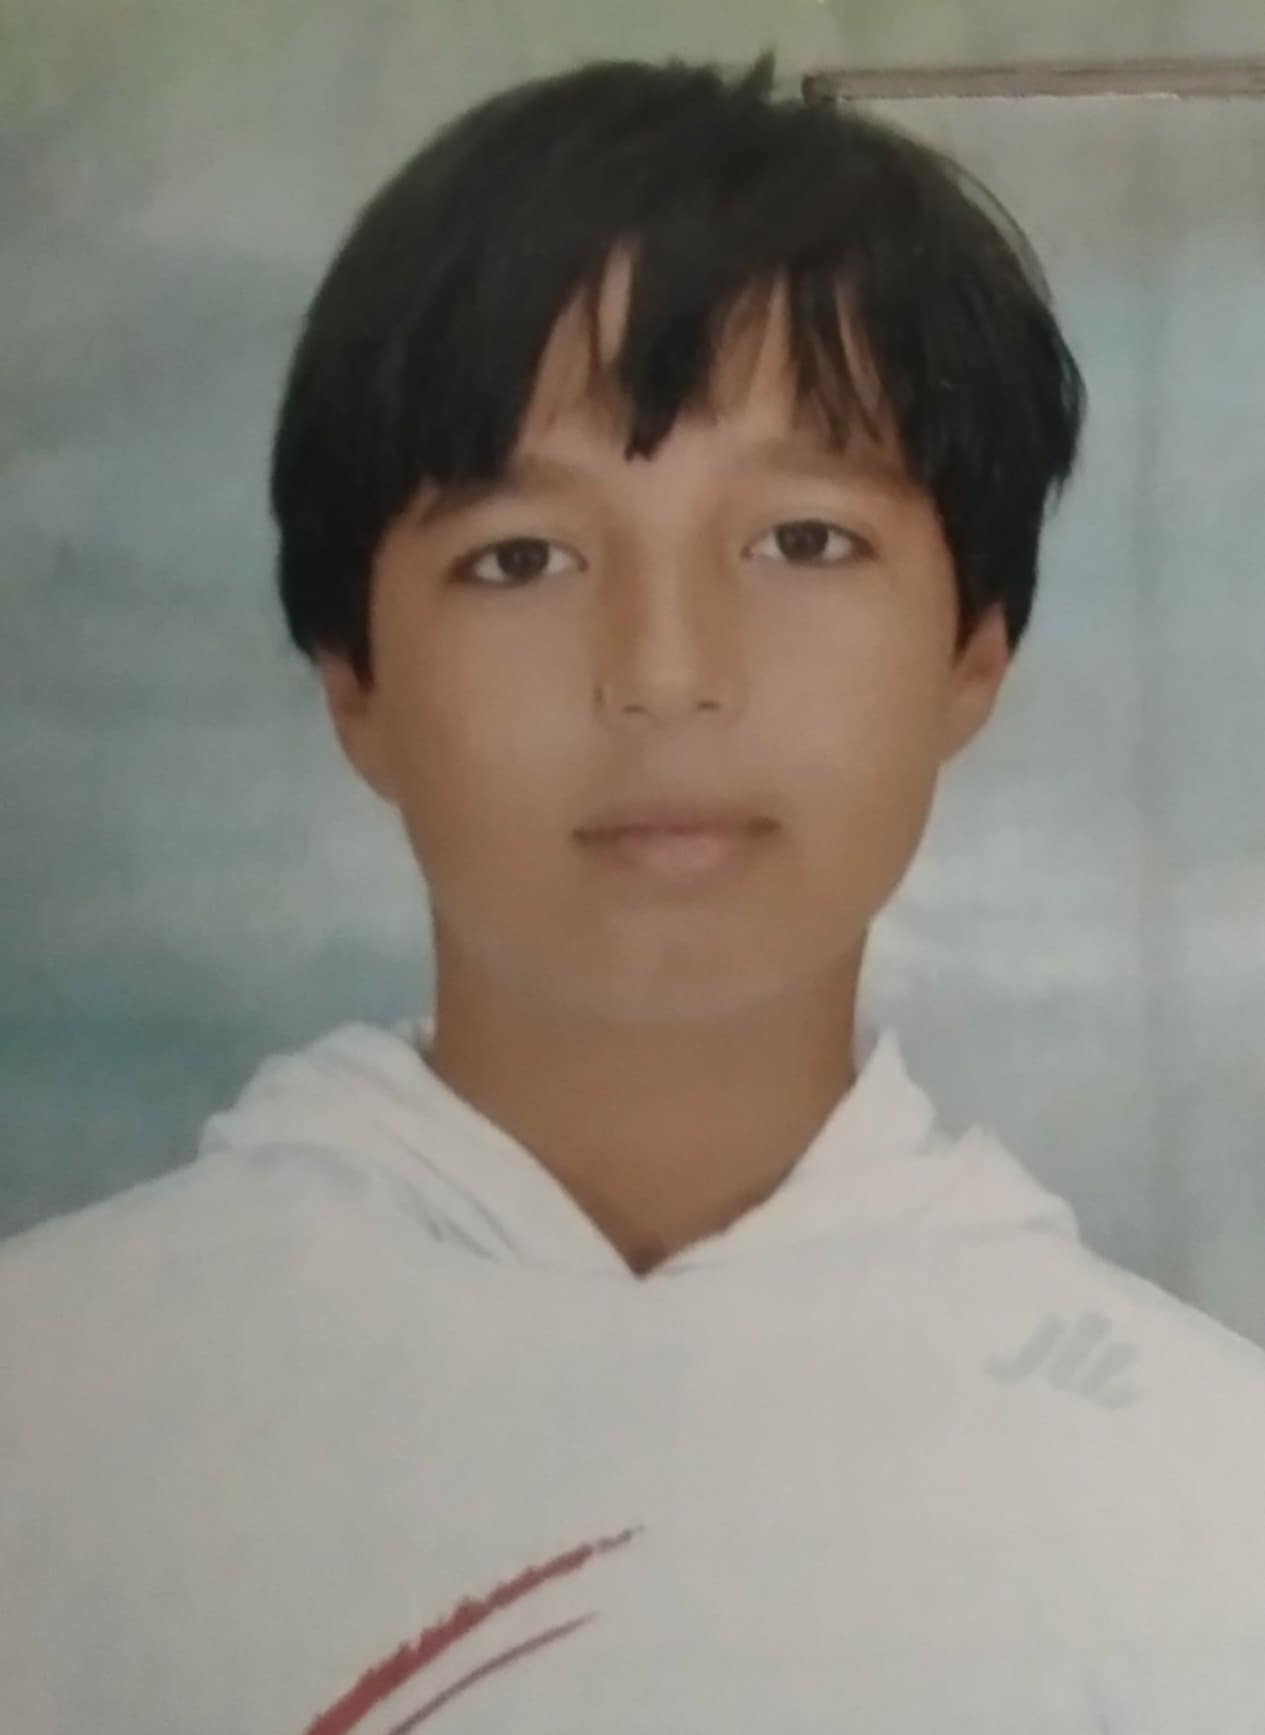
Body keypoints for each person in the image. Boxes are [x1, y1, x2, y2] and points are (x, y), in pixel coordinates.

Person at [3, 51, 1264, 1735]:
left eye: (801, 542)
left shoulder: (1200, 1495)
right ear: (353, 681)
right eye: (520, 558)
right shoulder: (55, 1417)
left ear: (974, 649)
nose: (664, 675)